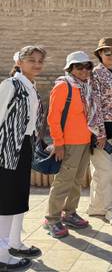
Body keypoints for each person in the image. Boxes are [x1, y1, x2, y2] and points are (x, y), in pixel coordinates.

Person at [44, 51, 100, 238]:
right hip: (68, 143)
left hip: (85, 142)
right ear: (70, 68)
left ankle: (69, 213)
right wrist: (58, 143)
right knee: (63, 182)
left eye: (87, 66)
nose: (84, 70)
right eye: (79, 67)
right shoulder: (63, 86)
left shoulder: (86, 86)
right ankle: (51, 219)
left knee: (77, 181)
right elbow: (52, 119)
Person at [0, 46, 46, 270]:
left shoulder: (31, 87)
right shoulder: (11, 85)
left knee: (18, 199)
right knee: (6, 203)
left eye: (40, 60)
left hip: (23, 147)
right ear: (19, 62)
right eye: (31, 60)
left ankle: (15, 243)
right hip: (7, 151)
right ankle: (2, 255)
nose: (37, 64)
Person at [87, 38, 112, 226]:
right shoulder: (95, 74)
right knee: (105, 170)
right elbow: (94, 105)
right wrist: (99, 133)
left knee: (107, 171)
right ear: (100, 54)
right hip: (100, 130)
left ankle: (96, 206)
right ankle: (110, 208)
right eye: (107, 52)